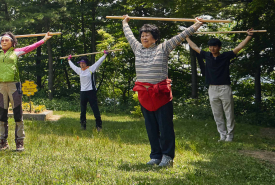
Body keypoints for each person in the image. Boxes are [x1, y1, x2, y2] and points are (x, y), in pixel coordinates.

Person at [123, 15, 204, 167]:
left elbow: (182, 35)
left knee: (165, 126)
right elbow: (128, 34)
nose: (143, 37)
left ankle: (167, 156)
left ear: (155, 38)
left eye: (147, 35)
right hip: (144, 95)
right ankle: (155, 156)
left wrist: (197, 24)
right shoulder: (137, 48)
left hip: (161, 94)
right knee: (151, 127)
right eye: (142, 35)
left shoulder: (164, 47)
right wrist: (125, 22)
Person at [0, 31, 53, 152]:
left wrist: (44, 39)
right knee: (2, 115)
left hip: (14, 86)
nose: (4, 42)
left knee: (17, 114)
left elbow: (31, 47)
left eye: (7, 40)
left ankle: (19, 142)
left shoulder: (16, 52)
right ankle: (3, 142)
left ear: (12, 43)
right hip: (1, 86)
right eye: (2, 40)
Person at [186, 29, 254, 142]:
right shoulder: (207, 55)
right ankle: (222, 135)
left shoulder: (226, 56)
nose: (212, 48)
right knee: (217, 114)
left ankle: (230, 135)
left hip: (225, 87)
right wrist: (186, 36)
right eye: (210, 46)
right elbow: (194, 47)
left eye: (215, 46)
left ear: (219, 47)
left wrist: (249, 36)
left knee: (229, 113)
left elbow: (239, 47)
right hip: (212, 88)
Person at [68, 52, 109, 131]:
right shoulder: (79, 71)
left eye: (83, 63)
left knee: (95, 109)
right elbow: (72, 66)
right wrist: (69, 60)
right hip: (83, 92)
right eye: (80, 63)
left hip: (91, 92)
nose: (82, 64)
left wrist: (104, 55)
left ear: (86, 63)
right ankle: (83, 125)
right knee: (83, 110)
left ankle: (98, 126)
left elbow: (98, 62)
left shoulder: (91, 69)